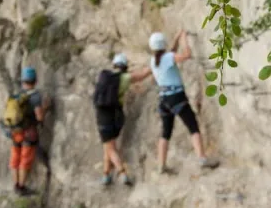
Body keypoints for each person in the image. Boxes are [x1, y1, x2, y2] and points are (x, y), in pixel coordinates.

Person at [142, 30, 219, 173]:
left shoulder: (154, 61)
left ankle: (161, 164)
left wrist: (176, 37)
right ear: (163, 44)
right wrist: (184, 40)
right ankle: (202, 158)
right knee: (193, 126)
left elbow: (171, 53)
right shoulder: (168, 57)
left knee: (165, 132)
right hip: (176, 96)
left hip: (164, 99)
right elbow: (186, 55)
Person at [94, 53, 151, 187]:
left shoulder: (104, 77)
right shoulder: (124, 78)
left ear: (114, 65)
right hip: (116, 116)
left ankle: (122, 173)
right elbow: (142, 75)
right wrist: (154, 64)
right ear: (125, 67)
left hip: (102, 116)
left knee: (110, 148)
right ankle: (106, 175)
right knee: (108, 146)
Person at [7, 66, 49, 196]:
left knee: (15, 157)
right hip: (29, 132)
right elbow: (39, 116)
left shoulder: (17, 94)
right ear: (35, 80)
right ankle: (22, 186)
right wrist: (46, 109)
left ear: (23, 81)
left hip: (15, 131)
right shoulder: (35, 96)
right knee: (25, 158)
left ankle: (15, 184)